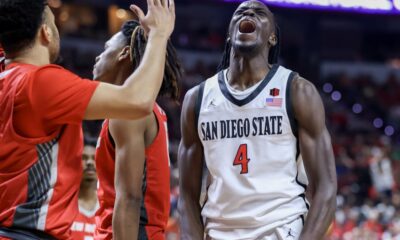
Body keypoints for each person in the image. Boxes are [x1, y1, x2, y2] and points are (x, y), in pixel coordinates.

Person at [0, 0, 175, 239]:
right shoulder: (40, 82)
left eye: (105, 48)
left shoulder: (6, 74)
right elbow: (137, 99)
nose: (97, 56)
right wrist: (159, 33)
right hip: (26, 233)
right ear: (46, 33)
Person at [178, 1, 337, 239]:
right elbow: (187, 196)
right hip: (219, 232)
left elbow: (325, 188)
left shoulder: (296, 91)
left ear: (272, 37)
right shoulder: (197, 99)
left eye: (260, 13)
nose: (248, 12)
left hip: (281, 229)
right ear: (230, 35)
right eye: (240, 12)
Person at [94, 19, 182, 240]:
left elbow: (130, 198)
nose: (98, 57)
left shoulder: (128, 112)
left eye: (105, 49)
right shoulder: (146, 109)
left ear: (123, 53)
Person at [70, 142, 98, 240]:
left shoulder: (107, 206)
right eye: (84, 157)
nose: (89, 162)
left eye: (94, 158)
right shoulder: (63, 203)